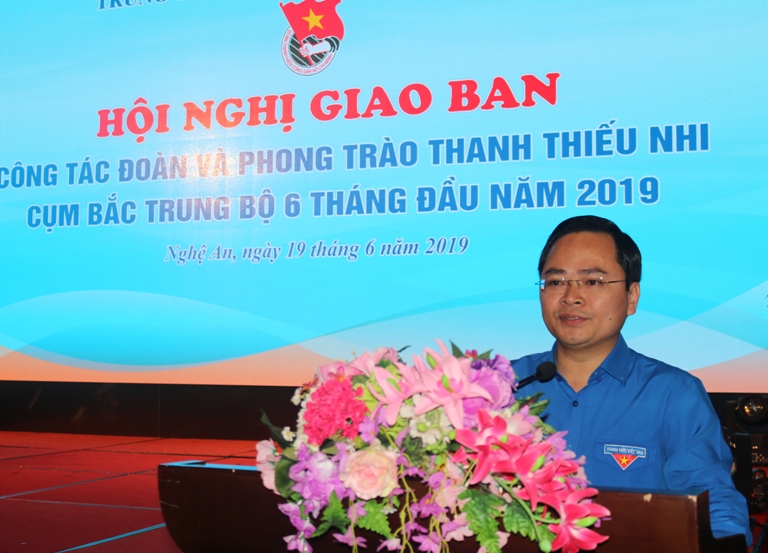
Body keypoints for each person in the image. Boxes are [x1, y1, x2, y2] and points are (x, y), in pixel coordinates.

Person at [512, 215, 751, 542]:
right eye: (555, 282)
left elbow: (713, 506)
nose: (571, 296)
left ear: (632, 296)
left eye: (592, 281)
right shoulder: (502, 386)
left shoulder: (674, 395)